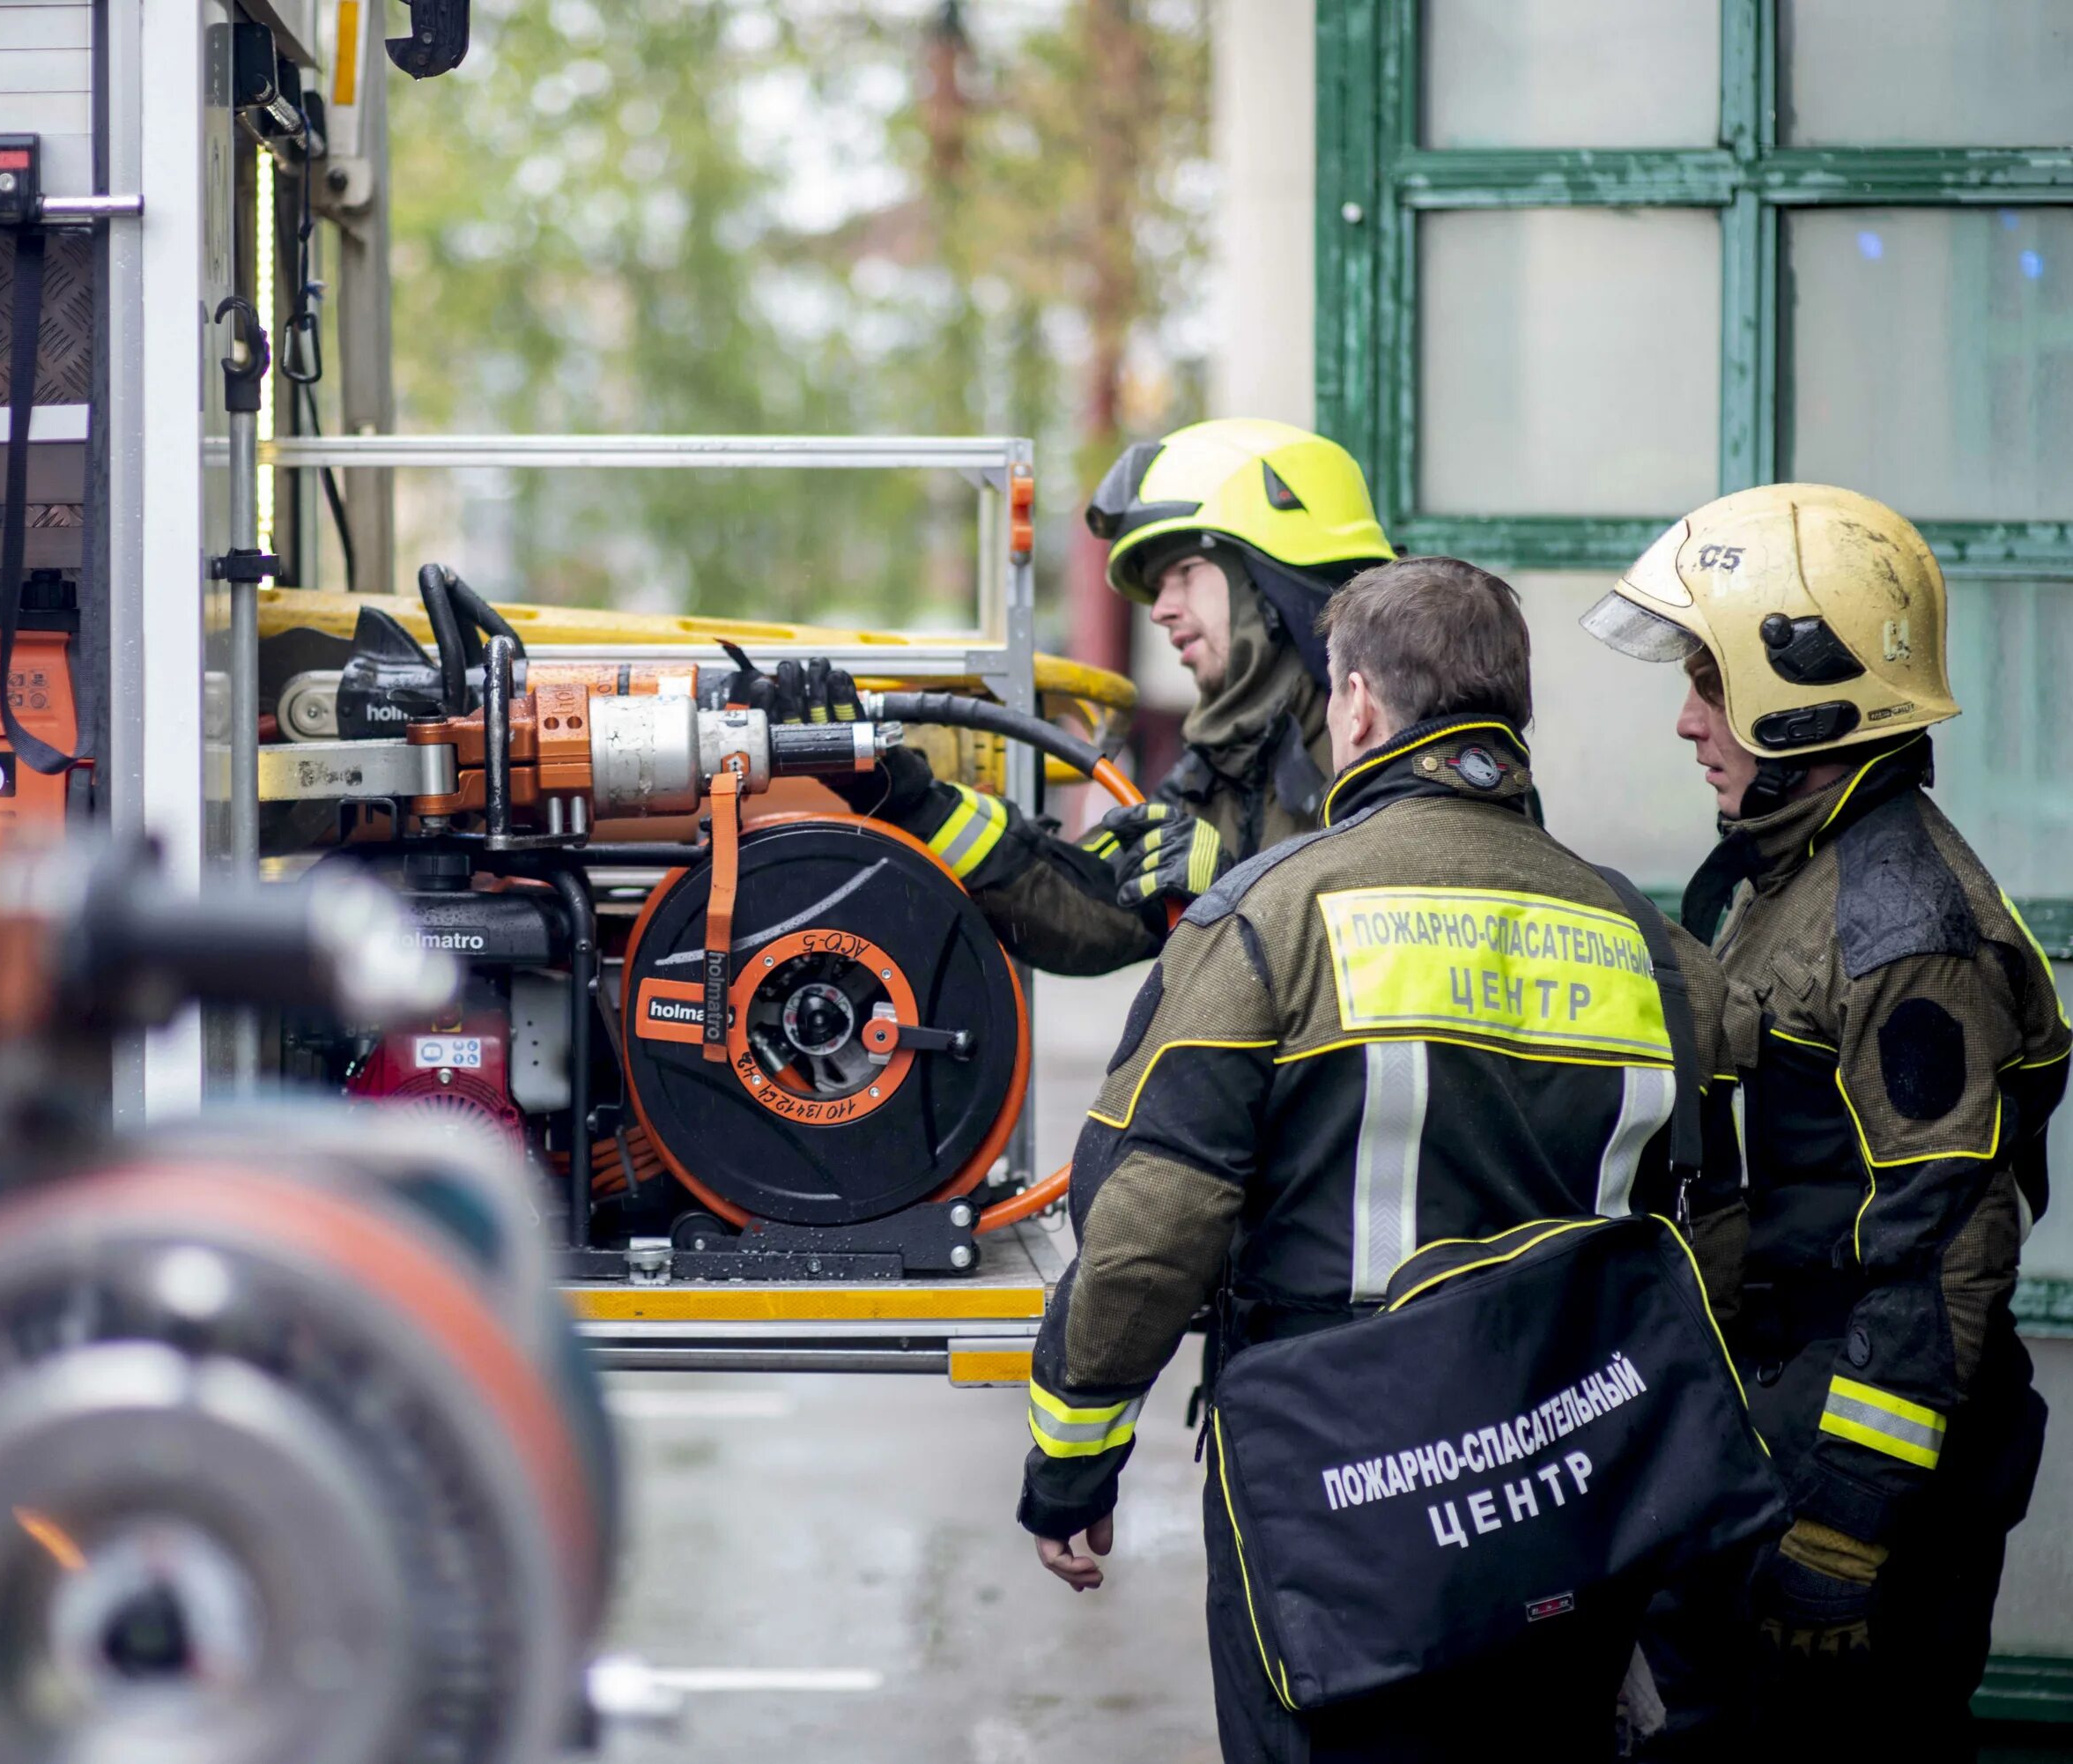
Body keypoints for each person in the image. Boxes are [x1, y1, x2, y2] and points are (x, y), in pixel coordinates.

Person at [1017, 557, 1748, 1760]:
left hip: (1336, 1491)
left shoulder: (1272, 920)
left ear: (1356, 708)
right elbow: (1710, 1238)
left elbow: (1150, 1231)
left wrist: (1072, 1460)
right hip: (1577, 1490)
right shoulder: (1652, 944)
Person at [1581, 484, 2069, 1759]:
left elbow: (1946, 1248)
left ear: (1810, 688)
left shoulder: (1903, 928)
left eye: (1711, 680)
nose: (1687, 720)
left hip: (1866, 1449)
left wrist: (1846, 1525)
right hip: (1785, 1403)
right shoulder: (1791, 860)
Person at [739, 419, 1395, 973]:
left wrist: (1227, 895)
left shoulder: (1396, 746)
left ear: (1273, 582)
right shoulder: (1222, 766)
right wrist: (891, 787)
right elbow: (1085, 903)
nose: (1161, 609)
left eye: (1184, 574)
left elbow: (1383, 958)